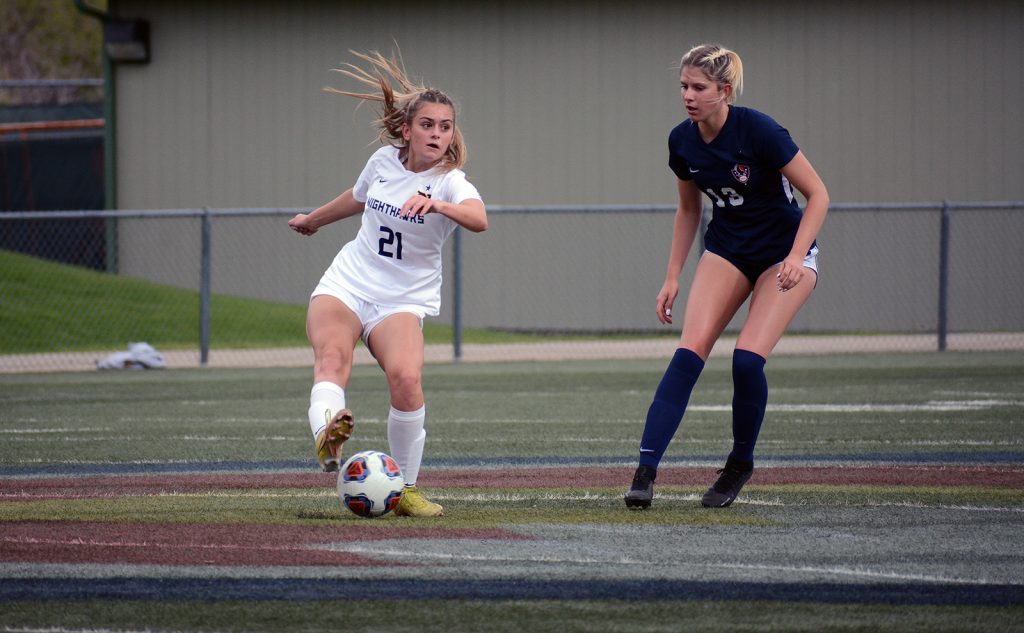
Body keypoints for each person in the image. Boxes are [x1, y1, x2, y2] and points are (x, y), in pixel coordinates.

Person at [624, 43, 829, 509]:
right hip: (728, 249)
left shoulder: (757, 129)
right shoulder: (682, 140)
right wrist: (672, 275)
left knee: (745, 360)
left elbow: (818, 194)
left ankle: (739, 464)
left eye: (699, 88)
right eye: (683, 86)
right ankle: (645, 471)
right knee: (687, 353)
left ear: (725, 90)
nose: (688, 96)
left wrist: (798, 256)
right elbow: (688, 208)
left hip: (783, 252)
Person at [289, 50, 487, 517]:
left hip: (401, 298)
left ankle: (407, 489)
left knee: (406, 377)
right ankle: (327, 435)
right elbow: (357, 199)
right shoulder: (383, 161)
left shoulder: (450, 183)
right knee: (333, 358)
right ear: (407, 130)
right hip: (349, 280)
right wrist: (314, 220)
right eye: (428, 124)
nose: (438, 133)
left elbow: (479, 219)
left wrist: (439, 206)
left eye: (445, 126)